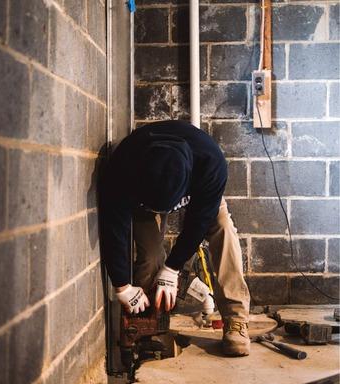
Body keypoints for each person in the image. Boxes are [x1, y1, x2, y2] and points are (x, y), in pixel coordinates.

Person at [100, 120, 251, 356]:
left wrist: (172, 269)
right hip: (141, 197)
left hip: (199, 192)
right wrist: (122, 286)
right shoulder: (122, 166)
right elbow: (113, 226)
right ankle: (146, 325)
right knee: (150, 256)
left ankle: (236, 320)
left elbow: (198, 223)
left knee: (223, 228)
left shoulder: (211, 163)